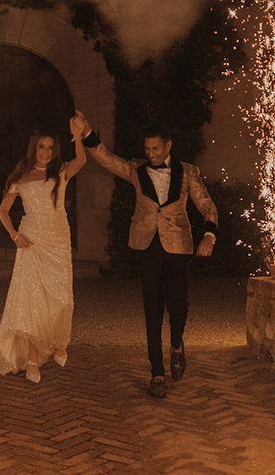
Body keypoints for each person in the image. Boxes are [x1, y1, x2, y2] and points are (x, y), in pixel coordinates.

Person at [74, 111, 218, 398]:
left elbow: (207, 206)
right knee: (152, 309)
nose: (150, 154)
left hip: (178, 247)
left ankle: (176, 343)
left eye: (155, 148)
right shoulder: (136, 169)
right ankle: (156, 372)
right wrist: (88, 132)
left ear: (168, 146)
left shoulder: (188, 172)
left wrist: (209, 235)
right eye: (147, 149)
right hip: (146, 246)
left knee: (178, 306)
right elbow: (105, 157)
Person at [0, 118, 87, 383]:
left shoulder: (61, 172)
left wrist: (77, 136)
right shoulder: (21, 178)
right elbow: (2, 211)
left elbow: (81, 161)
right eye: (41, 147)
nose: (45, 152)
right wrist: (15, 235)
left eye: (50, 148)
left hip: (58, 239)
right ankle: (33, 360)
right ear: (34, 148)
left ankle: (57, 341)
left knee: (60, 296)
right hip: (32, 240)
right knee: (32, 299)